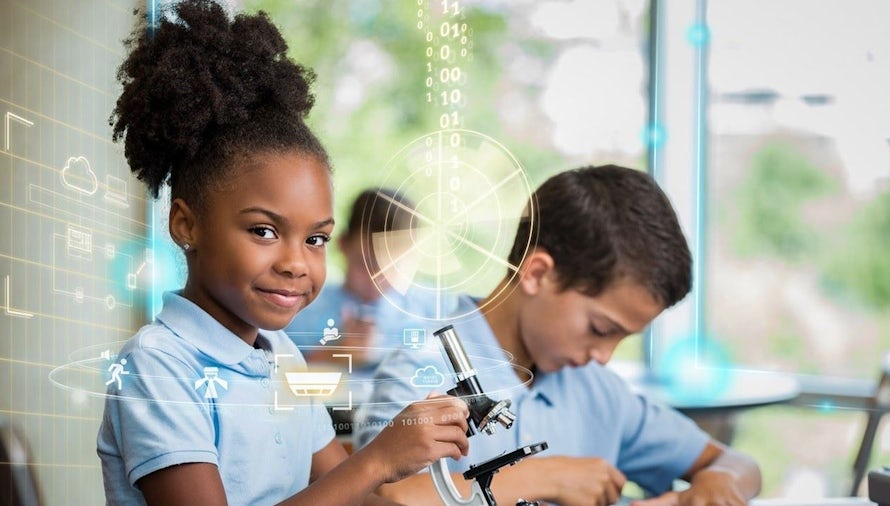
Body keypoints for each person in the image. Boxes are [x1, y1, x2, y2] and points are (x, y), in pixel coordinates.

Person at [95, 2, 469, 505]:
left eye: (314, 240)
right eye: (264, 231)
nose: (296, 263)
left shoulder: (283, 360)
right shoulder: (158, 365)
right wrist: (379, 457)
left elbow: (355, 498)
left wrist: (410, 446)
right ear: (186, 224)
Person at [354, 165, 762, 506]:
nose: (603, 355)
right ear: (537, 274)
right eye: (600, 329)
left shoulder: (597, 392)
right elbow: (380, 497)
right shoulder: (419, 370)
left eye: (622, 338)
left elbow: (736, 463)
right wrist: (539, 478)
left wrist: (720, 482)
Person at [286, 188, 435, 401]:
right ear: (342, 244)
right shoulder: (300, 309)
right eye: (366, 264)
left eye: (393, 266)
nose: (378, 278)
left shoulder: (430, 311)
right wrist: (335, 354)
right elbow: (270, 383)